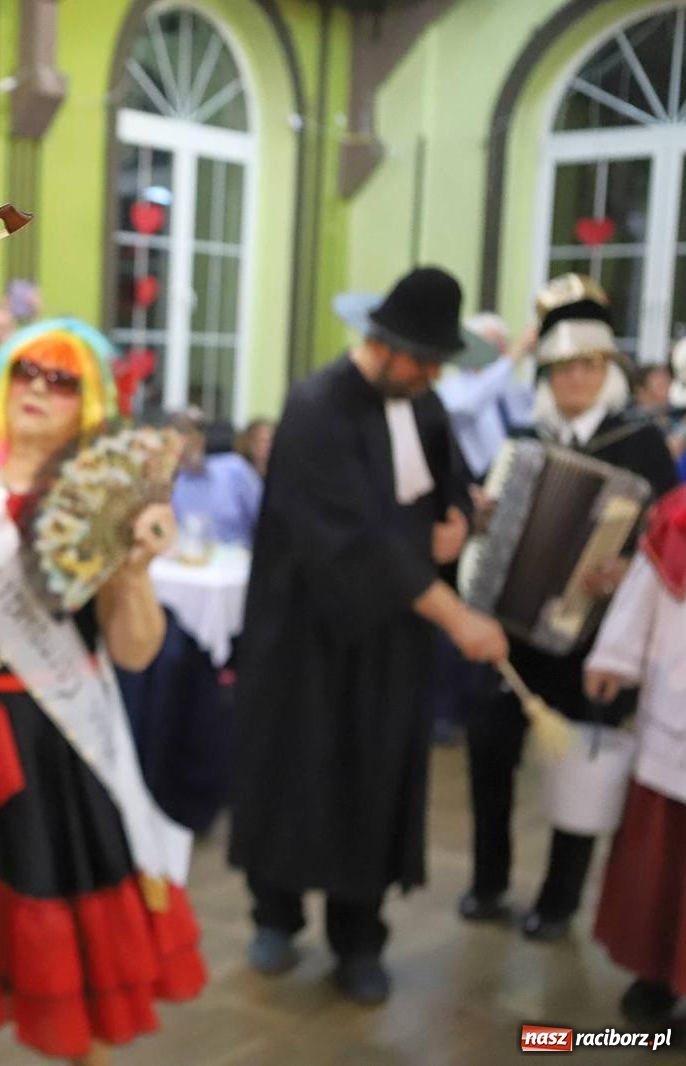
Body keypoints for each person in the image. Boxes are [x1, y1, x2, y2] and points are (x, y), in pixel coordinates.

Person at [0, 319, 204, 1065]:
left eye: (62, 381)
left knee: (66, 954)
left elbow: (135, 651)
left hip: (50, 744)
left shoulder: (107, 500)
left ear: (90, 402)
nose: (38, 390)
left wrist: (133, 568)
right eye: (26, 371)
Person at [229, 266, 509, 1005]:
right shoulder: (316, 408)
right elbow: (354, 543)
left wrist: (459, 521)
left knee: (374, 781)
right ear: (380, 344)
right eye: (420, 359)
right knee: (296, 777)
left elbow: (444, 491)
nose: (429, 375)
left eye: (437, 363)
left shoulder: (424, 406)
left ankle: (360, 939)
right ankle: (276, 917)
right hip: (304, 640)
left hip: (389, 639)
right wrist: (456, 616)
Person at [461, 275, 678, 942]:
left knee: (577, 771)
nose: (575, 379)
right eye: (562, 368)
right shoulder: (523, 439)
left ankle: (558, 900)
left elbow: (669, 534)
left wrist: (630, 566)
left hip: (592, 641)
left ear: (606, 371)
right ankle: (489, 880)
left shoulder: (639, 444)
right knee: (489, 754)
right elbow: (488, 530)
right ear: (548, 374)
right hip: (513, 630)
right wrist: (482, 520)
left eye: (588, 366)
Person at [584, 484, 686, 1028]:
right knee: (662, 865)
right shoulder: (680, 512)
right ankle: (656, 976)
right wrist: (614, 656)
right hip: (678, 709)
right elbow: (649, 578)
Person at [434, 312, 534, 483]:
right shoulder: (450, 388)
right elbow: (469, 406)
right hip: (472, 483)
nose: (501, 349)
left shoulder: (515, 389)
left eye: (504, 342)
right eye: (492, 343)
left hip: (515, 480)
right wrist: (515, 354)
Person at [167, 406, 263, 547]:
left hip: (237, 563)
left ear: (202, 440)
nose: (185, 443)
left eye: (191, 434)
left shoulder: (234, 470)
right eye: (179, 435)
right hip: (187, 564)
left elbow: (267, 520)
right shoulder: (171, 486)